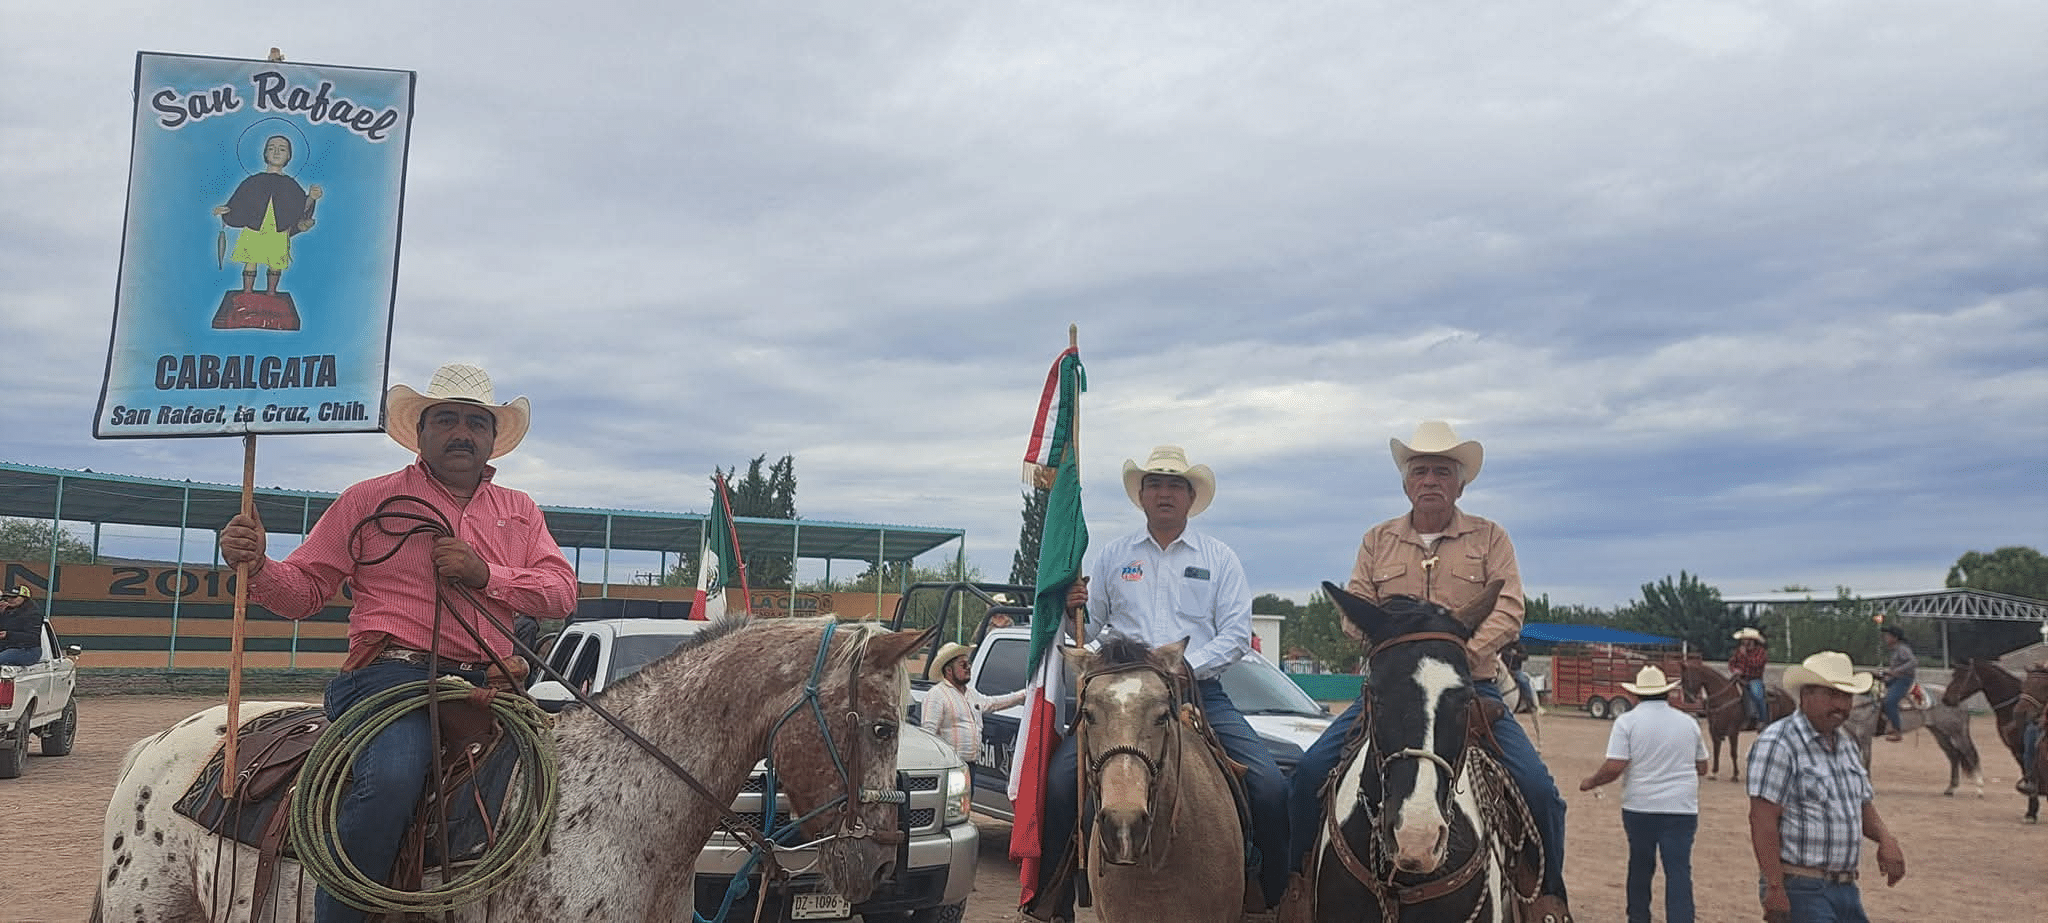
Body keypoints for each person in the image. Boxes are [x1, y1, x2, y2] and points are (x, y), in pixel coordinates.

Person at [219, 362, 576, 923]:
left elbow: (561, 592)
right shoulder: (368, 500)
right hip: (392, 677)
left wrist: (486, 574)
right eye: (446, 420)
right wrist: (259, 565)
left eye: (476, 423)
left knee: (567, 777)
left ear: (491, 439)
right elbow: (305, 591)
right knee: (391, 778)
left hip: (490, 681)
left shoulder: (520, 511)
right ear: (420, 432)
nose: (462, 433)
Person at [1286, 421, 1573, 922]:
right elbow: (1354, 611)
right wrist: (1397, 654)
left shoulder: (1491, 538)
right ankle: (1297, 884)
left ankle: (1547, 896)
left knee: (1540, 791)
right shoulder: (1377, 540)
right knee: (1307, 775)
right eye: (1421, 471)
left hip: (1470, 689)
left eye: (1442, 471)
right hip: (1393, 691)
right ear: (1407, 484)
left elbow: (1509, 609)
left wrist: (1454, 658)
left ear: (1460, 485)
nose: (1431, 480)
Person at [1035, 445, 1290, 917]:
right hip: (1120, 698)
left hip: (1197, 690)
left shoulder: (1219, 558)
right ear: (1142, 496)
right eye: (1155, 484)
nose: (1164, 493)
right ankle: (1054, 898)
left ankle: (1267, 892)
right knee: (1059, 783)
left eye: (1175, 485)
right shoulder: (1114, 556)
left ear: (1191, 497)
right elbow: (1091, 630)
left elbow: (1236, 635)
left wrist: (1182, 667)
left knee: (1271, 787)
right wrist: (1074, 610)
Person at [1746, 651, 1906, 922]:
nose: (1841, 705)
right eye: (1832, 695)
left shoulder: (1846, 744)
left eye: (1846, 696)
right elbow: (1762, 820)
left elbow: (1861, 804)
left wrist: (1886, 839)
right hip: (1801, 887)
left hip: (1846, 888)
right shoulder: (1778, 743)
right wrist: (1774, 887)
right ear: (1806, 695)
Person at [1579, 665, 1709, 923]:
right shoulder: (1689, 723)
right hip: (1681, 808)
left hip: (1640, 806)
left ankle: (1638, 917)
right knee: (1679, 870)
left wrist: (1592, 782)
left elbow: (1615, 766)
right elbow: (1703, 767)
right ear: (1667, 693)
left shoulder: (1626, 722)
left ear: (1636, 695)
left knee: (1640, 865)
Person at [214, 134, 323, 295]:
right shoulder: (252, 182)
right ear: (265, 153)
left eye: (282, 149)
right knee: (251, 261)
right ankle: (247, 293)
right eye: (271, 148)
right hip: (254, 230)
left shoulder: (291, 185)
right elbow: (238, 203)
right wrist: (225, 211)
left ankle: (272, 294)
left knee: (275, 263)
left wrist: (312, 198)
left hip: (278, 231)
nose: (276, 152)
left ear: (289, 156)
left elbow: (300, 209)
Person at [919, 642, 1026, 776]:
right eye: (963, 665)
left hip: (970, 765)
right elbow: (929, 733)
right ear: (949, 670)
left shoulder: (971, 694)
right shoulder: (937, 695)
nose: (968, 668)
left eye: (968, 664)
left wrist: (1023, 695)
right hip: (949, 766)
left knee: (968, 791)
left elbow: (993, 703)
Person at [1874, 625, 1916, 742]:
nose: (1885, 637)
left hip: (1903, 680)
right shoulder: (1895, 649)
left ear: (1895, 638)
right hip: (1896, 678)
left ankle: (1897, 730)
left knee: (1890, 701)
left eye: (1888, 635)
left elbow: (1913, 662)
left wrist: (1895, 671)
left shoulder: (1902, 649)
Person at [1730, 627, 1770, 727]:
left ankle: (1762, 720)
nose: (1743, 641)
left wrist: (1745, 655)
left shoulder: (1761, 652)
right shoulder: (1739, 651)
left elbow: (1757, 664)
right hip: (1740, 678)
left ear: (1752, 640)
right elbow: (1732, 662)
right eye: (1743, 639)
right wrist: (1735, 670)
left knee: (1757, 695)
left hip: (1754, 679)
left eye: (1745, 639)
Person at [0, 586, 46, 667]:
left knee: (5, 656)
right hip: (8, 647)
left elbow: (33, 638)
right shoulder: (8, 611)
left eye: (14, 597)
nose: (10, 599)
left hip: (28, 650)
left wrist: (8, 635)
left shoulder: (33, 614)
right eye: (9, 597)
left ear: (24, 598)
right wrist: (1, 613)